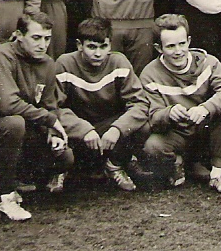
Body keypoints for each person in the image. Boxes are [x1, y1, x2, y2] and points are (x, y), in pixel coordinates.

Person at [0, 13, 73, 220]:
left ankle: (14, 182)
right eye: (36, 38)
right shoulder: (3, 56)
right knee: (14, 123)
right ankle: (3, 198)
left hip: (19, 132)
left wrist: (52, 131)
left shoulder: (47, 63)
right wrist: (49, 120)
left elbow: (50, 105)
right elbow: (8, 104)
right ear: (19, 35)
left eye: (47, 39)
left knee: (65, 156)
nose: (42, 45)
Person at [139, 14, 221, 194]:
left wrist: (205, 108)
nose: (178, 51)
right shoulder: (149, 74)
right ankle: (179, 163)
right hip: (177, 132)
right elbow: (153, 116)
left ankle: (217, 173)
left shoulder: (208, 62)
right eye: (170, 46)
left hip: (205, 128)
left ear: (189, 41)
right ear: (158, 48)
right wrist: (168, 113)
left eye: (182, 44)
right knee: (152, 146)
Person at [55, 18, 153, 192]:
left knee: (143, 126)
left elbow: (139, 103)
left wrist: (117, 129)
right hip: (79, 130)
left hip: (108, 128)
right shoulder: (64, 64)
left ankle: (114, 165)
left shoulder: (118, 62)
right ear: (79, 45)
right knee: (53, 131)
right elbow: (54, 107)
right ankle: (61, 170)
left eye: (103, 47)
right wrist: (82, 129)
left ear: (110, 45)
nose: (98, 53)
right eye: (92, 47)